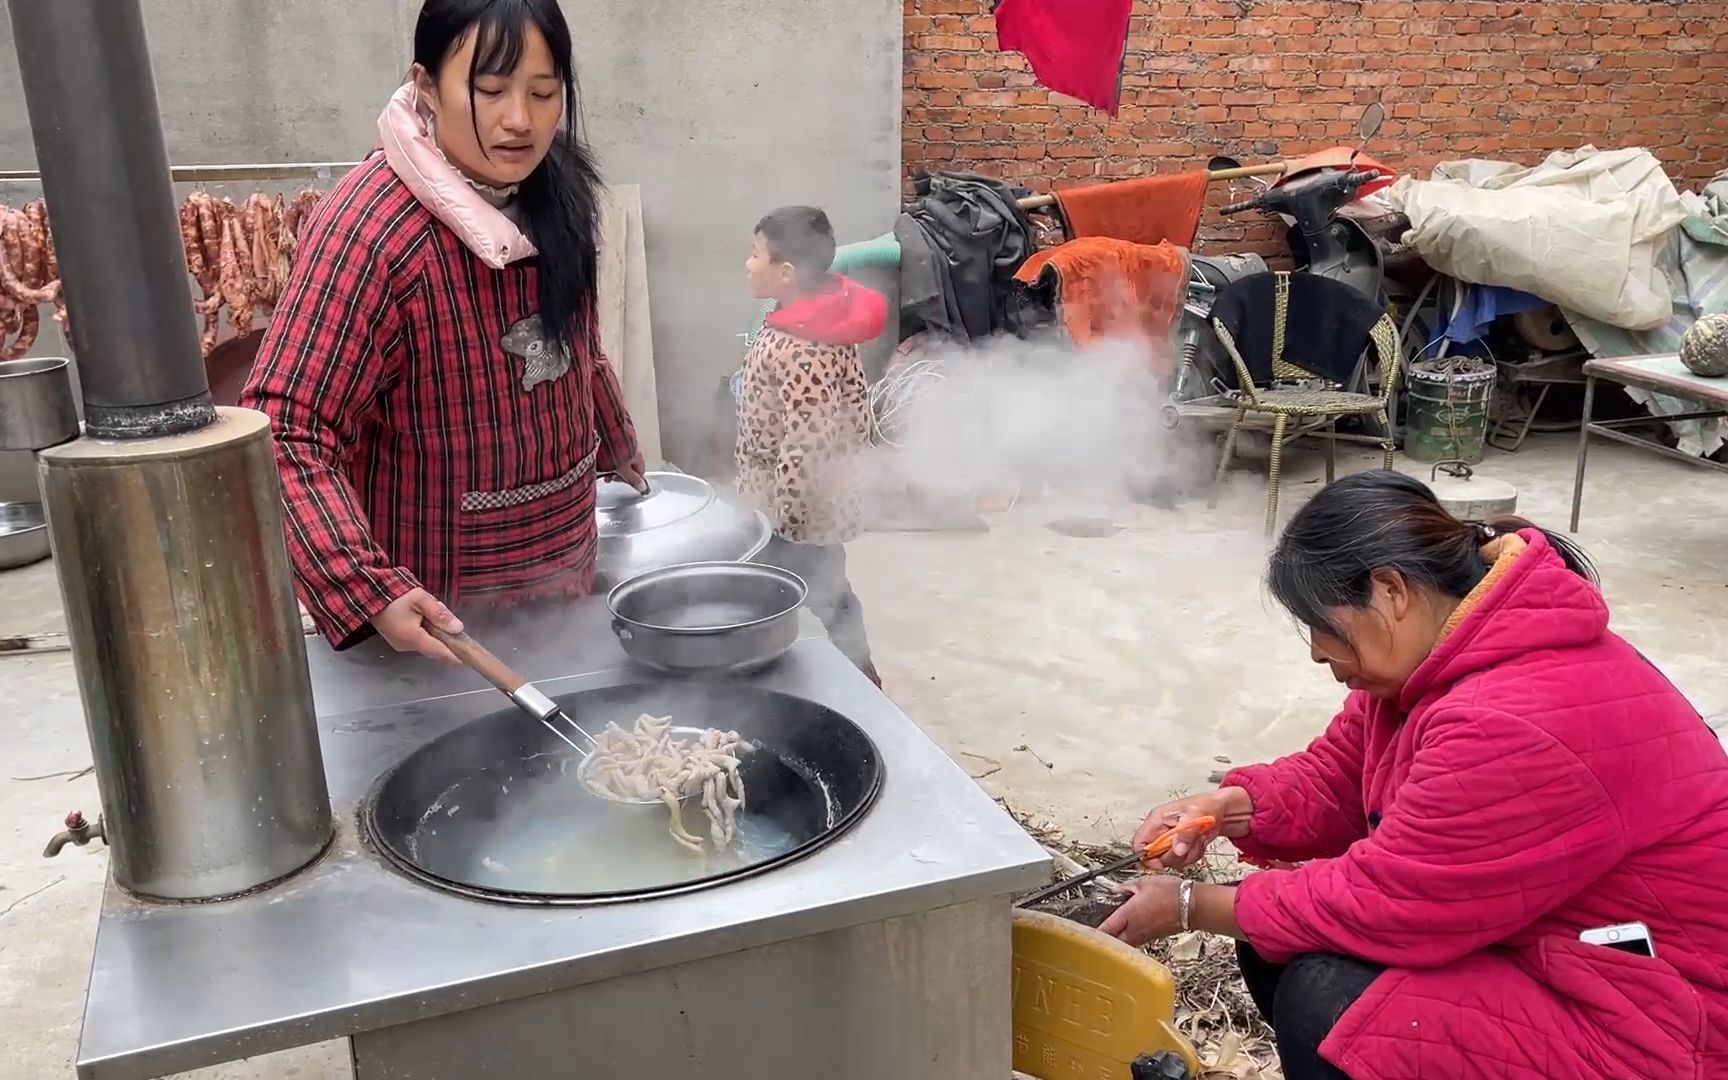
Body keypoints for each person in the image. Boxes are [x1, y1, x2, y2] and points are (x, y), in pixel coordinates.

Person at [1098, 471, 1728, 1079]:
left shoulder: (1511, 716)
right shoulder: (1436, 662)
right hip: (1561, 946)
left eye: (1323, 624)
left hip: (1663, 1009)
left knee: (1335, 1002)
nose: (1318, 651)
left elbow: (1389, 902)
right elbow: (1338, 776)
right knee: (1275, 939)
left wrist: (1189, 906)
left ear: (1391, 592)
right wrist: (1227, 807)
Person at [242, 0, 644, 664]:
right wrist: (365, 586)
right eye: (491, 90)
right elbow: (284, 430)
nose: (521, 120)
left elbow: (575, 343)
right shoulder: (370, 231)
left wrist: (617, 437)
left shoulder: (558, 191)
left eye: (544, 93)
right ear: (426, 86)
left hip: (563, 586)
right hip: (436, 630)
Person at [736, 207, 885, 686]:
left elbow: (808, 442)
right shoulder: (802, 319)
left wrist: (786, 521)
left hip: (798, 511)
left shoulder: (806, 347)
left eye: (754, 254)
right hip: (794, 504)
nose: (746, 264)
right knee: (822, 593)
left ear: (785, 273)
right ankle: (854, 674)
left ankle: (861, 681)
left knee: (819, 595)